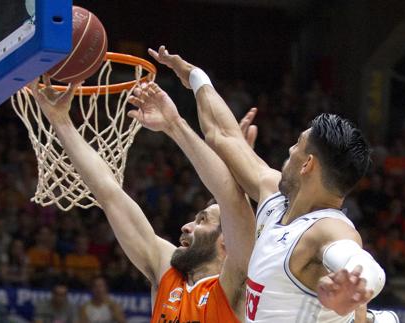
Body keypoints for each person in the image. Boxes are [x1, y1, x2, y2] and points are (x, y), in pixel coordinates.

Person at [148, 46, 386, 322]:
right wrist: (194, 76)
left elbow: (362, 262)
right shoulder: (273, 193)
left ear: (307, 164)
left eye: (297, 144)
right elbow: (222, 135)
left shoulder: (327, 228)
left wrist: (355, 285)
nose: (289, 150)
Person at [27, 71, 255, 322]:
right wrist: (60, 121)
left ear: (226, 242)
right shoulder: (167, 273)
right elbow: (109, 193)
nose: (186, 226)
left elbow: (234, 205)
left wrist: (176, 125)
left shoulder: (236, 285)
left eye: (202, 221)